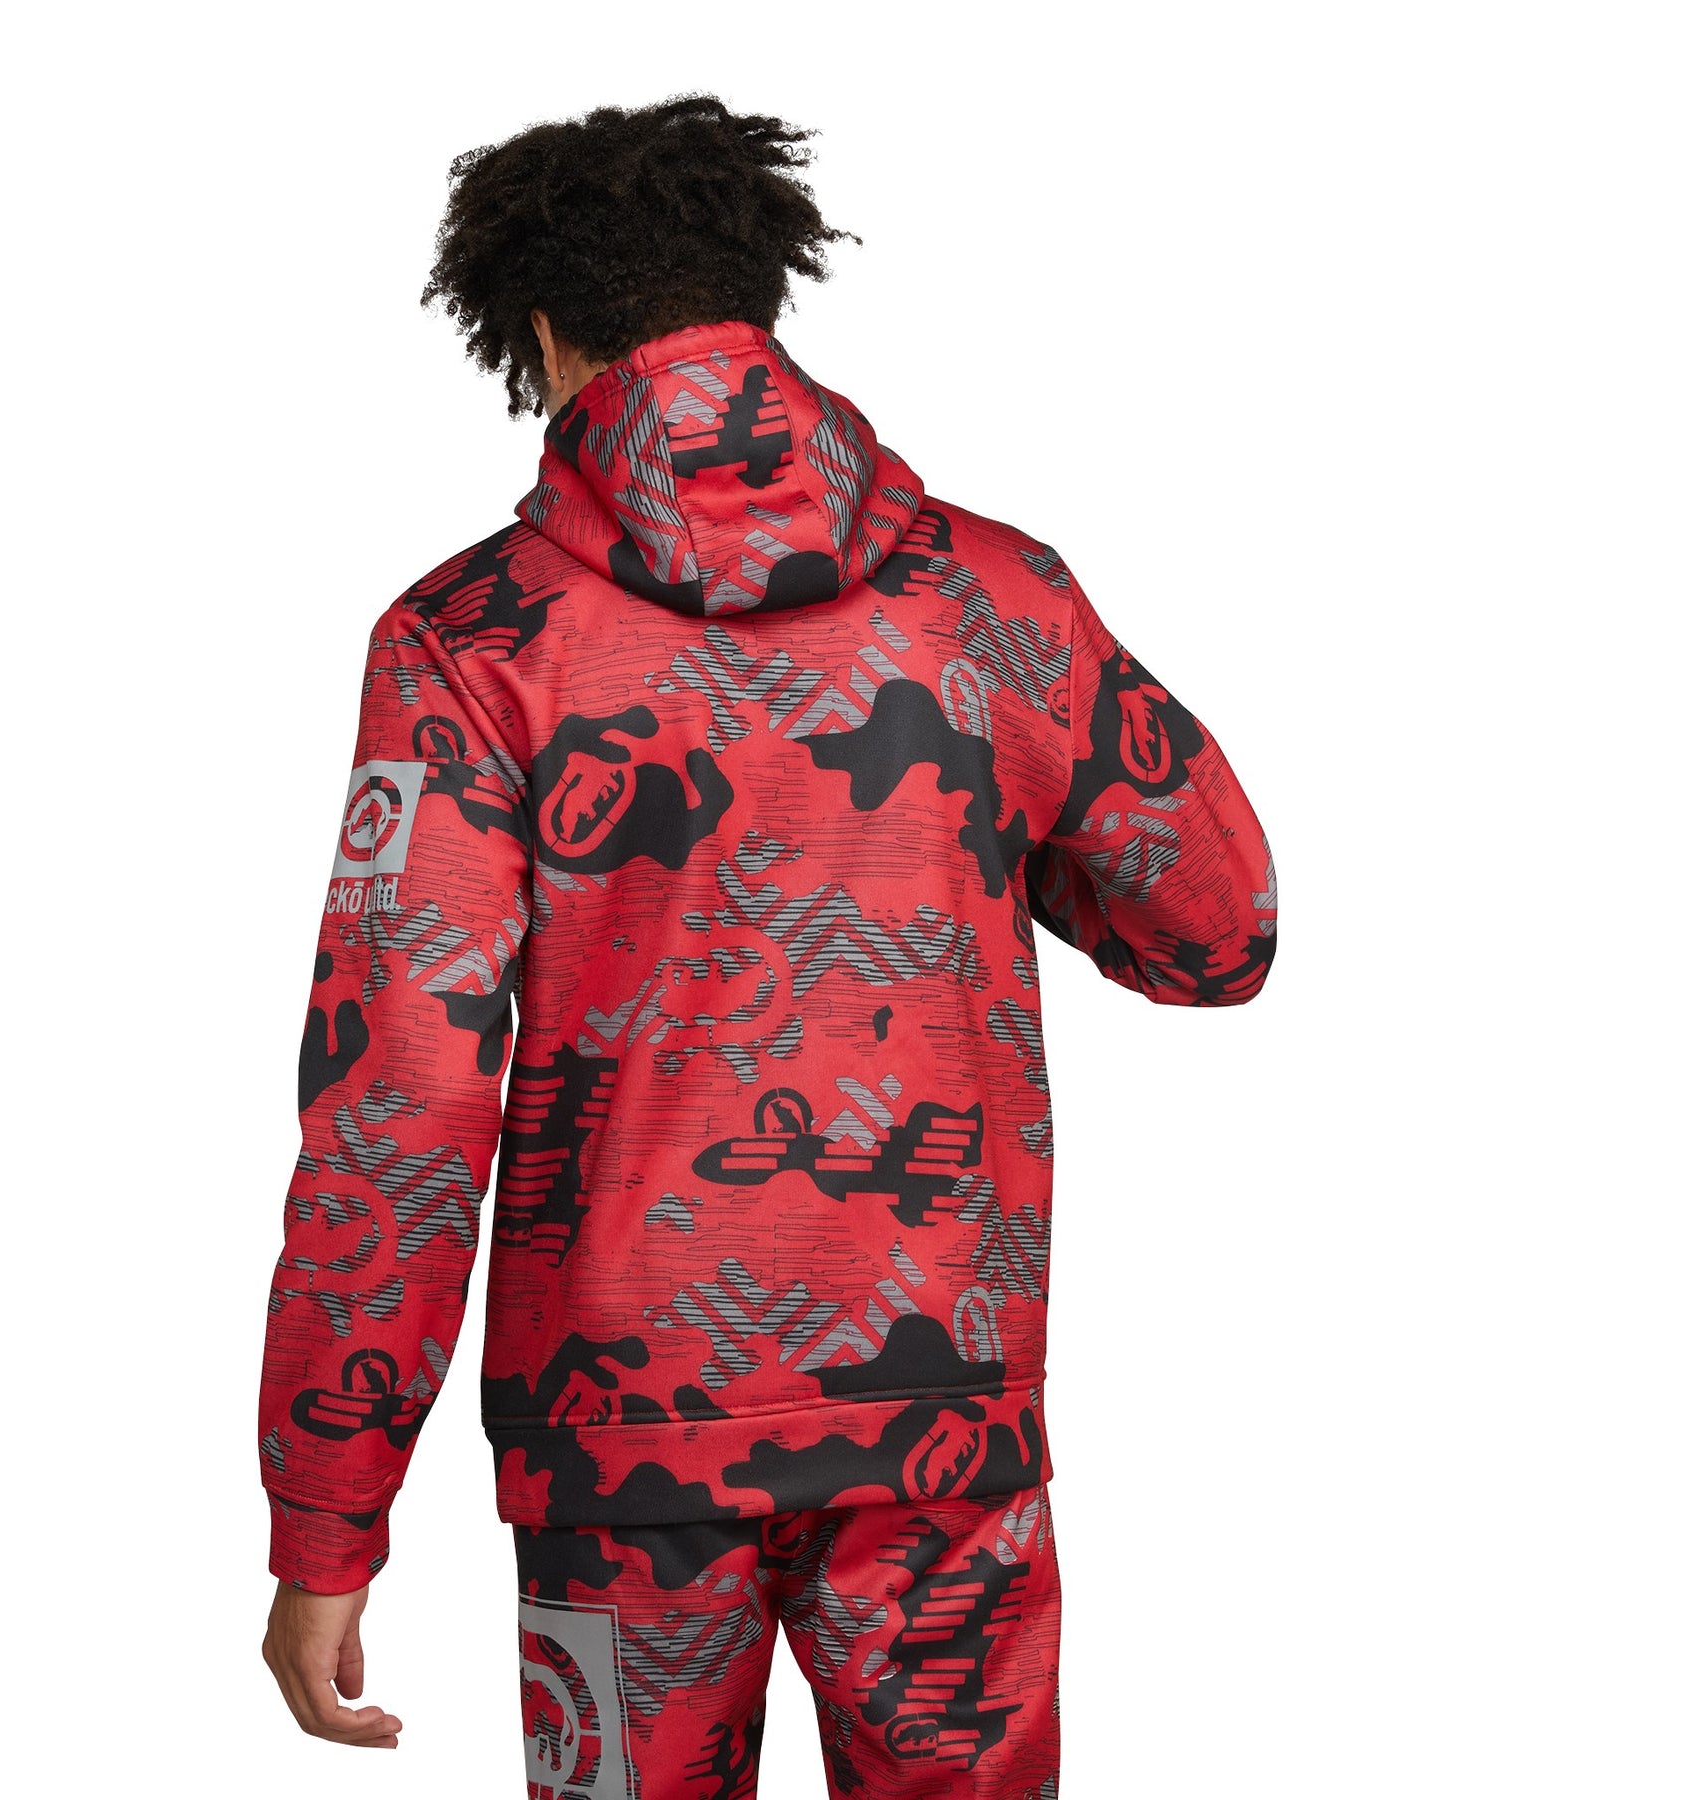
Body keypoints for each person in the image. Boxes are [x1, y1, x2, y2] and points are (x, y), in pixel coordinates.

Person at [257, 93, 1277, 1795]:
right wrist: (985, 832)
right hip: (942, 1424)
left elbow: (401, 1107)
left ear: (541, 336)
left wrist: (327, 1512)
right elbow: (1221, 930)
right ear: (760, 294)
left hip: (616, 1460)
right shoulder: (995, 600)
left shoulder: (469, 641)